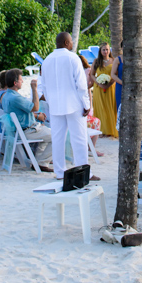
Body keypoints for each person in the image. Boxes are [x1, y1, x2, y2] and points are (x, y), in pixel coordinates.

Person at [41, 32, 96, 182]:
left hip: (56, 105)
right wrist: (86, 104)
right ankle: (84, 172)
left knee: (57, 139)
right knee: (79, 138)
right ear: (66, 43)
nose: (72, 43)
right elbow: (81, 85)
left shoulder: (47, 60)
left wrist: (51, 102)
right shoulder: (73, 58)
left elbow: (43, 86)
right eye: (71, 41)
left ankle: (60, 172)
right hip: (74, 104)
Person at [1, 68, 53, 171]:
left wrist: (35, 116)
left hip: (18, 130)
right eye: (21, 80)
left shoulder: (6, 96)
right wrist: (34, 89)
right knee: (57, 136)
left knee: (47, 133)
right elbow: (35, 107)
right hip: (26, 131)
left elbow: (23, 111)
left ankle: (39, 161)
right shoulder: (16, 98)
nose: (23, 81)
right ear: (15, 83)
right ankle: (42, 162)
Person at [90, 43, 118, 137]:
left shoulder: (114, 60)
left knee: (110, 108)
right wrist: (98, 83)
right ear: (100, 51)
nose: (105, 51)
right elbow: (92, 74)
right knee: (100, 108)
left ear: (109, 50)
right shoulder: (97, 61)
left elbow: (116, 74)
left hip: (110, 88)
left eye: (107, 49)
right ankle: (101, 131)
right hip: (99, 88)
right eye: (103, 50)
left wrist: (110, 83)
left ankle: (110, 130)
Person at [78, 53, 103, 156]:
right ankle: (90, 147)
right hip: (78, 115)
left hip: (83, 101)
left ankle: (89, 147)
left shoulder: (84, 71)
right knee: (97, 121)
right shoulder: (77, 74)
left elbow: (88, 87)